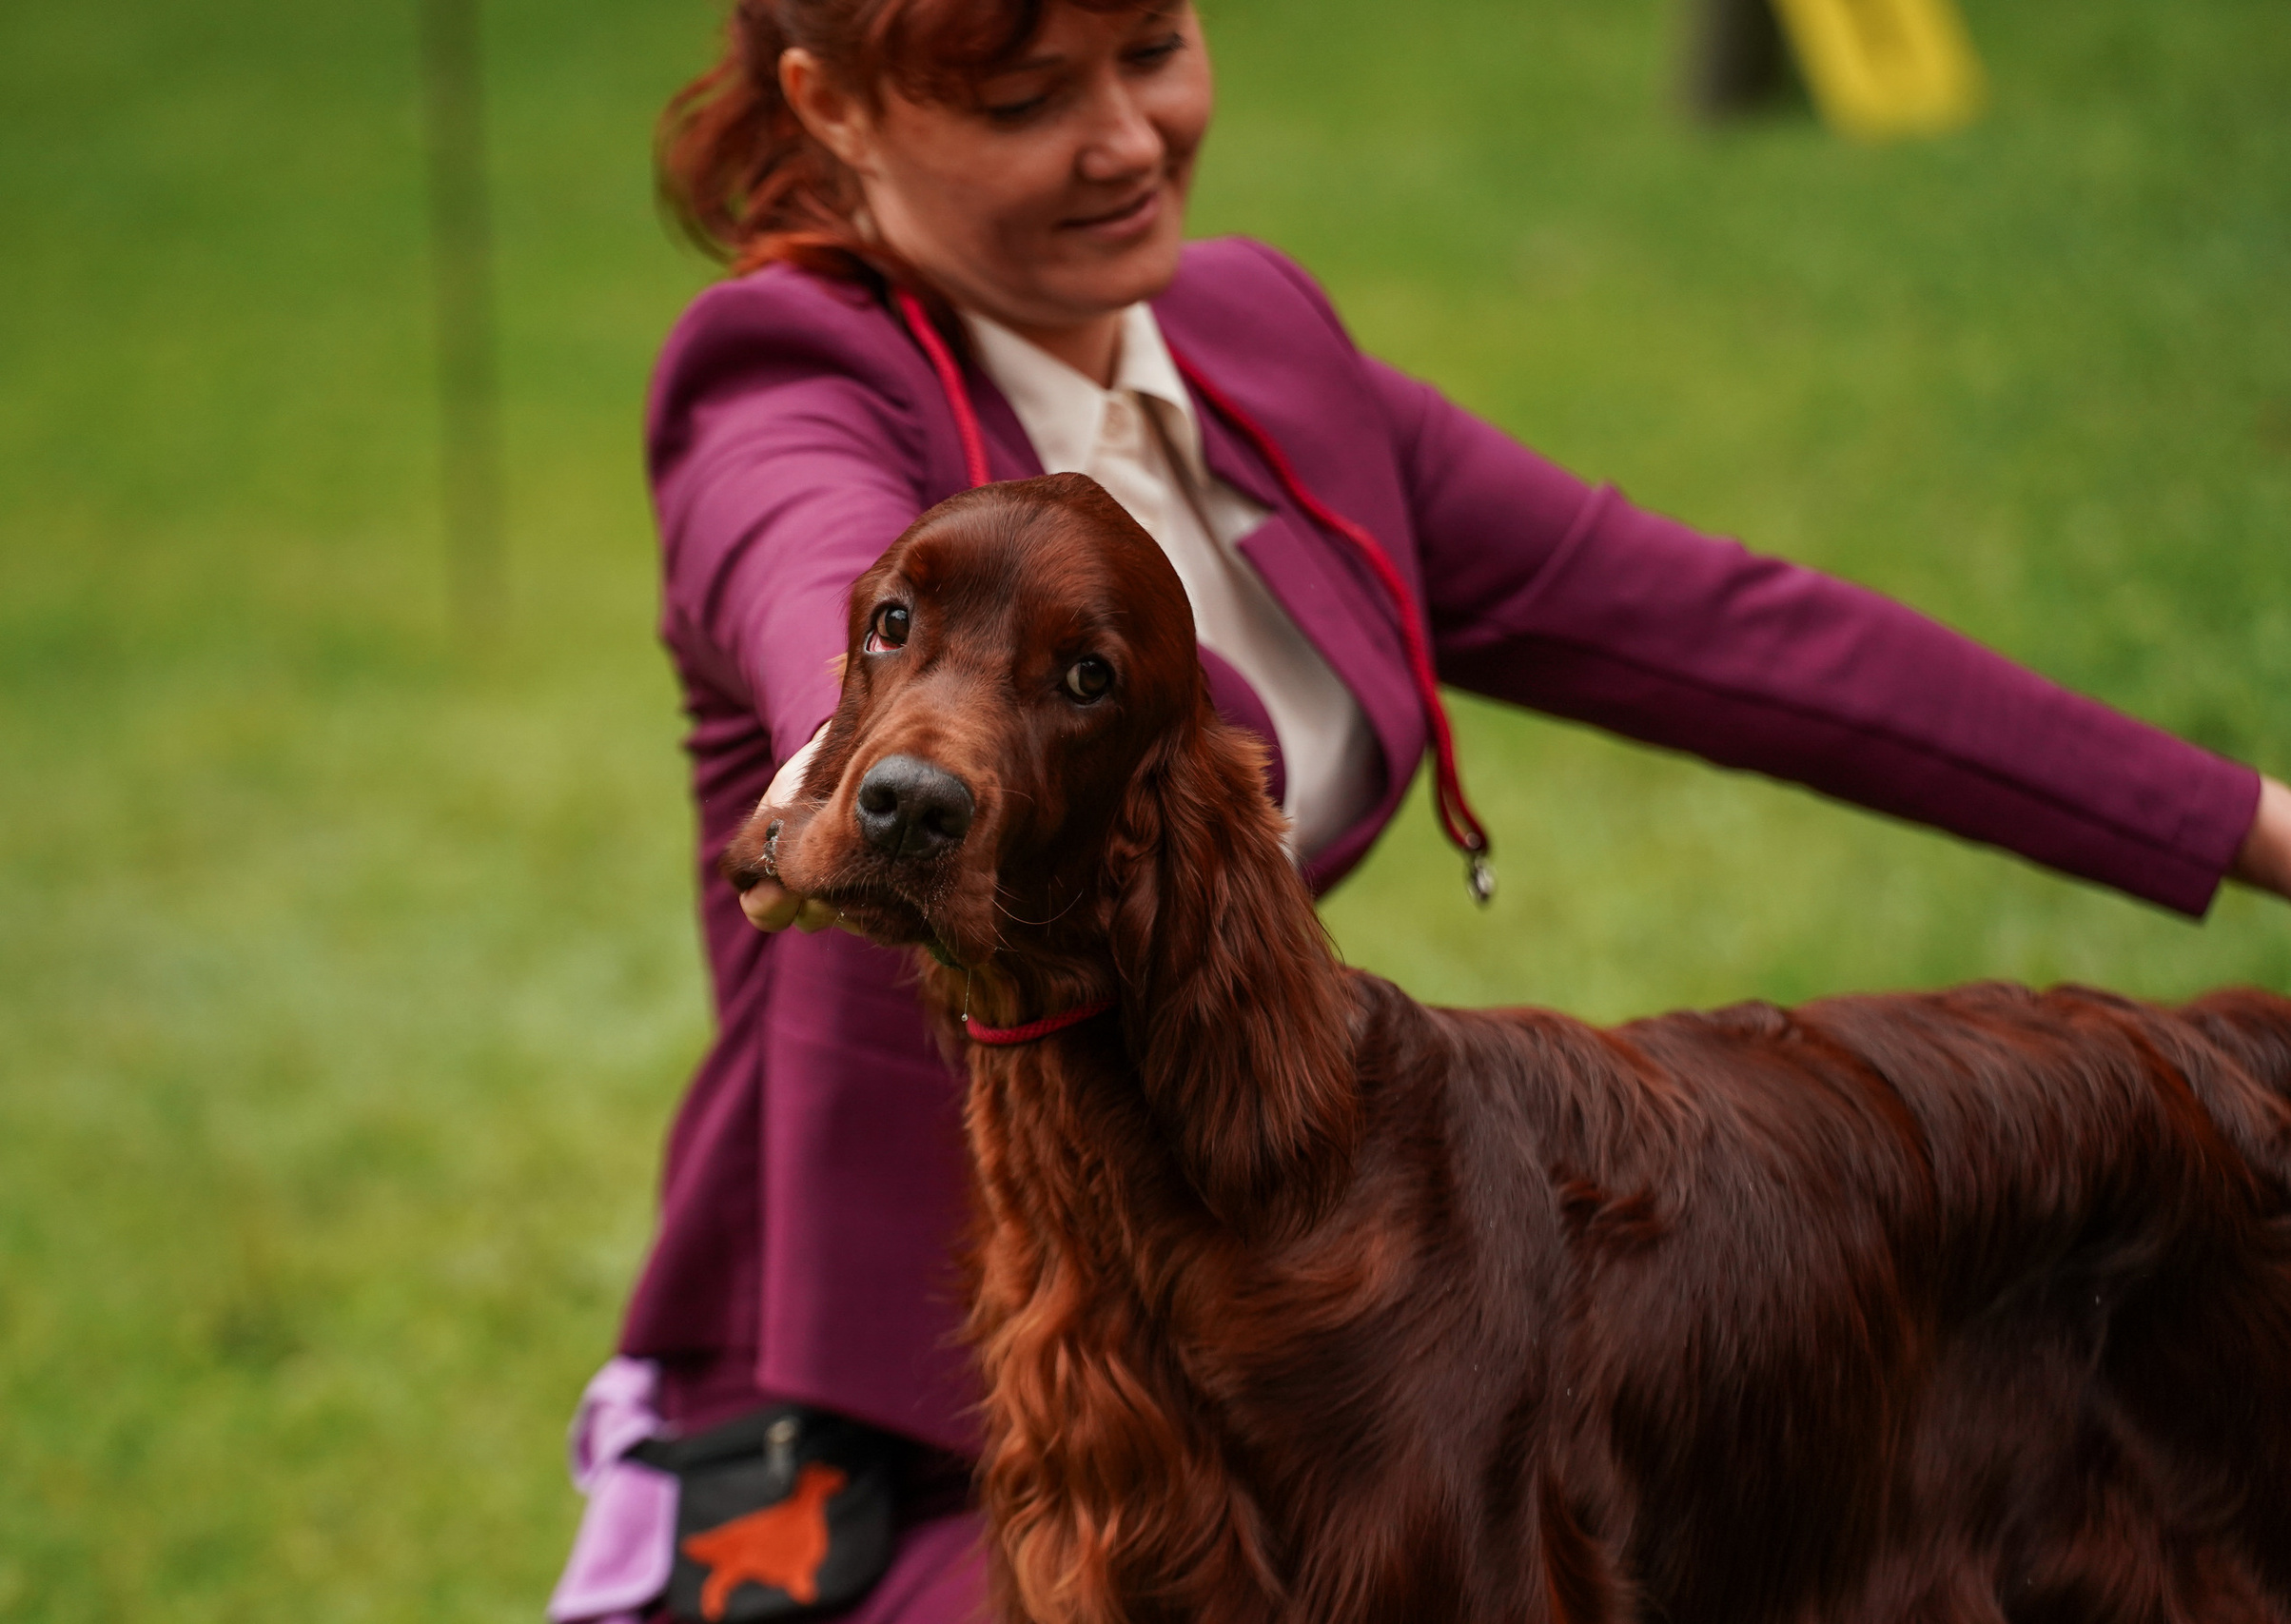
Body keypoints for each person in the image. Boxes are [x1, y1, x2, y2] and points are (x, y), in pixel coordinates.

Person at [548, 2, 2291, 1619]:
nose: (1123, 138)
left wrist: (2256, 823)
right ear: (829, 107)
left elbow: (1736, 636)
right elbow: (805, 556)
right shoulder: (780, 371)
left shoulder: (1254, 349)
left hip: (1264, 1312)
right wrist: (851, 773)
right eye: (1024, 100)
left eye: (1151, 47)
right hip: (884, 1430)